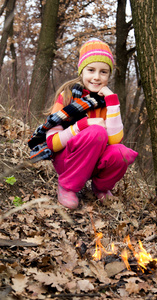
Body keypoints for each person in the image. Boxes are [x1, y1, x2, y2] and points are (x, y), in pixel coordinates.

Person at [46, 38, 138, 209]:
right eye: (91, 70)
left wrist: (112, 101)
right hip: (67, 160)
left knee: (122, 152)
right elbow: (51, 143)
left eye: (103, 72)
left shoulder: (106, 102)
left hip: (93, 161)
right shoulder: (67, 96)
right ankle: (67, 186)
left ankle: (101, 188)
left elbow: (115, 141)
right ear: (82, 71)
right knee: (96, 131)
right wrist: (84, 124)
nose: (96, 77)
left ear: (109, 75)